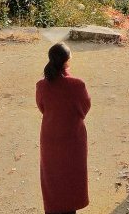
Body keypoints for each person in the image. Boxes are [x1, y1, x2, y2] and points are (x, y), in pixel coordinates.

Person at [36, 41, 91, 214]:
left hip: (50, 136)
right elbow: (84, 108)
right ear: (68, 60)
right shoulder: (77, 85)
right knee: (71, 175)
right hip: (72, 137)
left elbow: (42, 107)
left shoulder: (42, 85)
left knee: (52, 177)